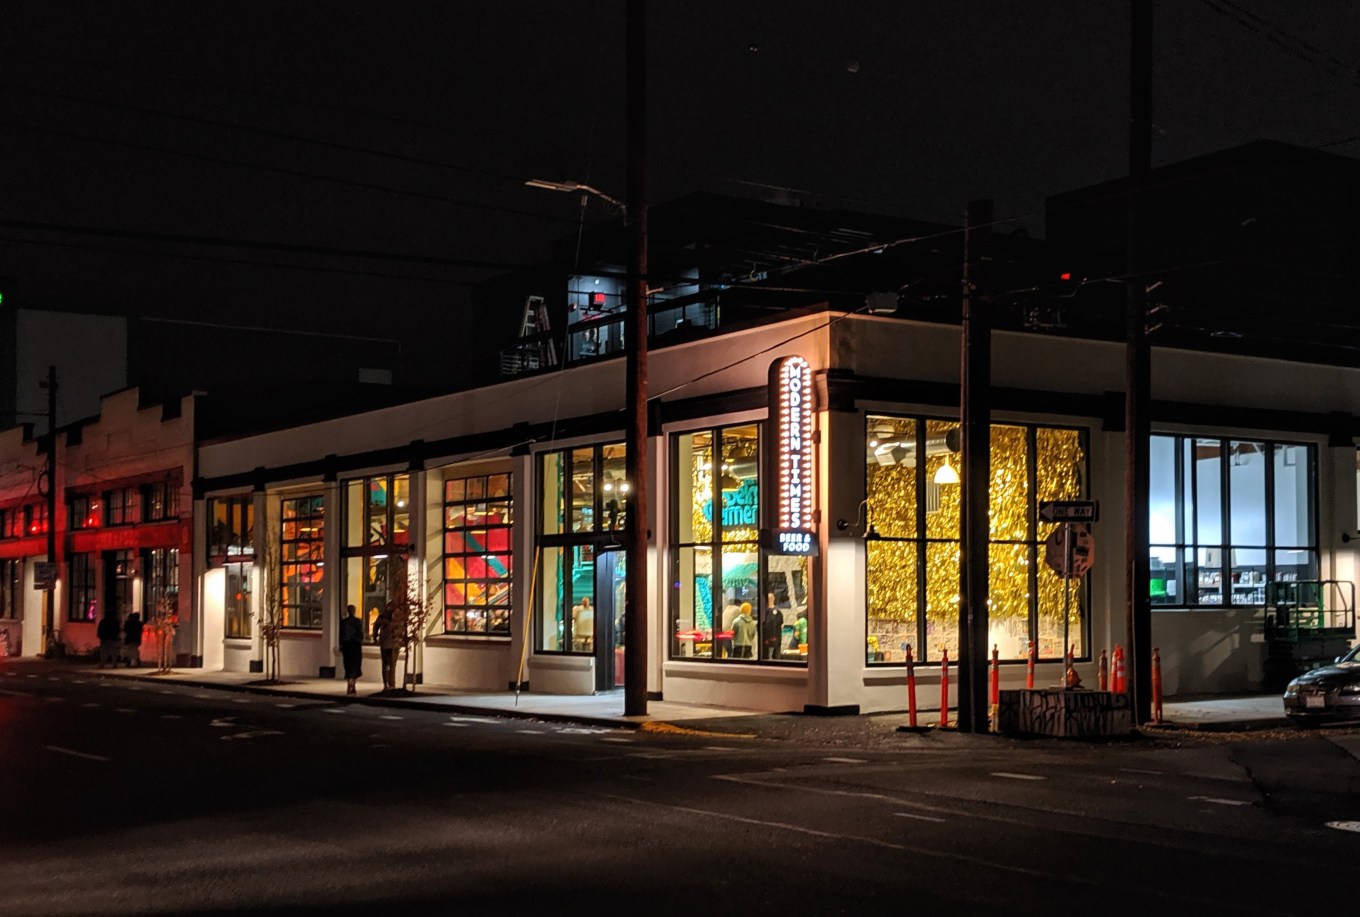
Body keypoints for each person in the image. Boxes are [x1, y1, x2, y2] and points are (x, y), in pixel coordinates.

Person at [372, 608, 400, 691]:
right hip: (393, 643)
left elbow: (376, 626)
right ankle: (391, 684)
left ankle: (387, 684)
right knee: (392, 665)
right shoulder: (397, 616)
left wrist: (375, 636)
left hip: (386, 643)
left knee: (386, 665)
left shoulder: (382, 617)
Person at [339, 604, 364, 695]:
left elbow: (341, 635)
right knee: (355, 666)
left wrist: (341, 645)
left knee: (348, 666)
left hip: (347, 646)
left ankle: (350, 684)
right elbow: (360, 635)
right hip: (355, 646)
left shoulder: (344, 622)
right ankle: (352, 685)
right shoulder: (358, 622)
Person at [760, 592, 784, 660]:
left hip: (771, 639)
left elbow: (781, 625)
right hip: (772, 639)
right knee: (773, 657)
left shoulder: (765, 613)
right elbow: (782, 625)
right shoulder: (777, 612)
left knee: (771, 657)